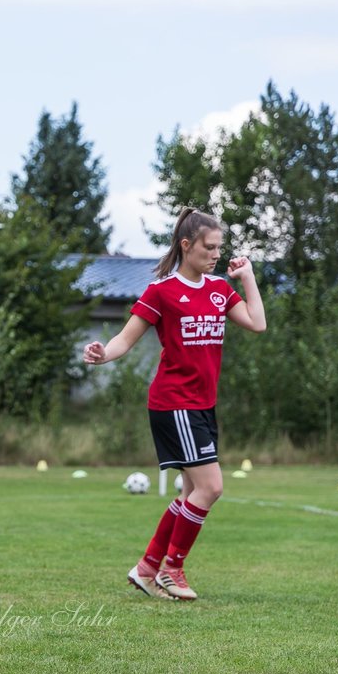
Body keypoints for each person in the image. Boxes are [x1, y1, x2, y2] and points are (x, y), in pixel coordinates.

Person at [83, 207, 266, 601]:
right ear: (187, 246)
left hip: (202, 404)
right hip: (174, 402)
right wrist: (102, 354)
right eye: (209, 247)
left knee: (190, 494)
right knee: (211, 487)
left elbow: (256, 322)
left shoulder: (219, 289)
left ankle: (147, 567)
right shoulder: (161, 291)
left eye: (219, 247)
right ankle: (172, 570)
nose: (216, 254)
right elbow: (124, 340)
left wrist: (247, 277)